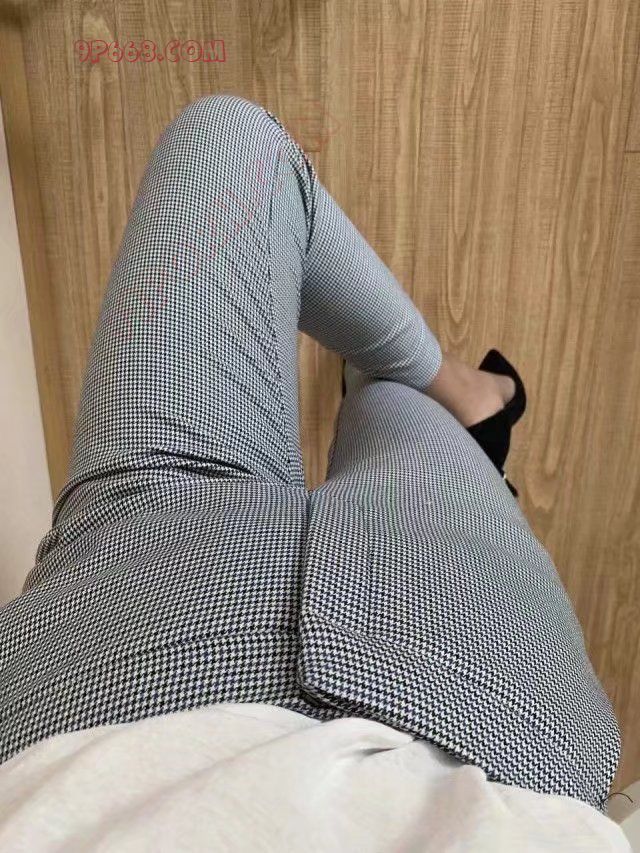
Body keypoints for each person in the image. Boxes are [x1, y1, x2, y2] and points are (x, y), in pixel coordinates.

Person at [0, 94, 625, 849]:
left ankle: (438, 385)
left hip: (83, 645)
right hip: (462, 729)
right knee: (392, 403)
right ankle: (432, 389)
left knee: (228, 142)